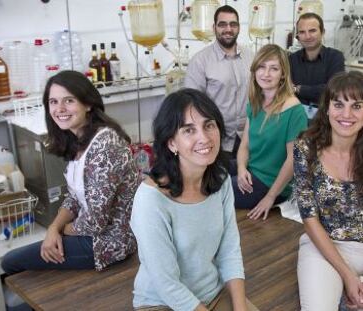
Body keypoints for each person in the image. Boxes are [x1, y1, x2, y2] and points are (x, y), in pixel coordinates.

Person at [1, 70, 139, 274]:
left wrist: (61, 232)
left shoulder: (105, 145)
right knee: (26, 257)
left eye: (69, 100)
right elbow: (74, 197)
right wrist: (53, 228)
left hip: (111, 242)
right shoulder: (78, 141)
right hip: (90, 234)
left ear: (88, 104)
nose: (60, 109)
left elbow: (95, 221)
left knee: (11, 262)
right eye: (53, 102)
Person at [131, 88, 249, 311]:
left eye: (209, 125)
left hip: (212, 294)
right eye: (188, 130)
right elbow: (166, 283)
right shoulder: (150, 200)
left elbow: (229, 250)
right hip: (161, 303)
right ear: (171, 143)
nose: (203, 138)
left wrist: (240, 307)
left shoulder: (221, 180)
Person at [294, 71, 363, 311]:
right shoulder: (306, 149)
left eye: (357, 105)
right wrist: (347, 275)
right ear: (326, 108)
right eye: (338, 104)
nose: (346, 114)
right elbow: (309, 218)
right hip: (323, 247)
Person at [231, 44, 308, 220]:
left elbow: (293, 160)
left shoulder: (294, 111)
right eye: (262, 67)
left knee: (216, 191)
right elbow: (245, 144)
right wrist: (241, 168)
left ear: (283, 74)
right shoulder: (255, 102)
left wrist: (270, 197)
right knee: (208, 172)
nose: (266, 74)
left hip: (271, 182)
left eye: (274, 69)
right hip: (251, 169)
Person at [184, 5, 254, 158]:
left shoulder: (251, 57)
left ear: (239, 28)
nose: (228, 29)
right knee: (219, 181)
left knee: (245, 180)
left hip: (248, 137)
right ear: (214, 27)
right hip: (217, 141)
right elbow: (191, 105)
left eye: (233, 24)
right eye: (222, 24)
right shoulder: (200, 61)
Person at [289, 12, 345, 119]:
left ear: (323, 32)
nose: (307, 36)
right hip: (297, 117)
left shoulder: (335, 57)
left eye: (312, 31)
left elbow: (334, 91)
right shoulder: (291, 59)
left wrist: (298, 89)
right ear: (297, 36)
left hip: (326, 119)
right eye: (302, 32)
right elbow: (286, 90)